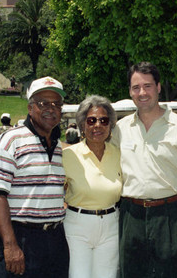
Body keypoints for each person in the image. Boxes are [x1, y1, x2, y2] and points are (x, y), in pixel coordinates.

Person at [111, 61, 177, 277]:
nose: (142, 93)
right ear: (130, 92)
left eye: (148, 86)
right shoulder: (120, 130)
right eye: (136, 88)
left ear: (158, 87)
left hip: (170, 215)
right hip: (131, 216)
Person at [0, 76, 69, 277]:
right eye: (44, 103)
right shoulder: (10, 140)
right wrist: (10, 245)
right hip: (20, 237)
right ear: (30, 108)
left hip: (54, 239)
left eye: (57, 104)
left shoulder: (57, 145)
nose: (51, 108)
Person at [63, 95, 122, 278]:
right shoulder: (68, 155)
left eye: (104, 120)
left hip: (111, 226)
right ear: (82, 125)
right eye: (91, 120)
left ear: (110, 125)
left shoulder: (119, 154)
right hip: (77, 228)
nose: (98, 125)